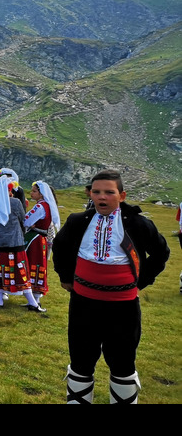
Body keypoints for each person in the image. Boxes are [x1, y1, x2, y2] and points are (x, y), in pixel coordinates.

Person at [53, 170, 170, 404]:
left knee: (123, 362)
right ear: (90, 194)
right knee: (81, 360)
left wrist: (141, 280)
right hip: (83, 304)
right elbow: (60, 247)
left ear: (122, 195)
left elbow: (160, 253)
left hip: (123, 306)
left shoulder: (138, 224)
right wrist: (66, 277)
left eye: (109, 192)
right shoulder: (78, 221)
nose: (102, 197)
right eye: (96, 192)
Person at [0, 171, 45, 312]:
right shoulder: (16, 203)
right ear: (10, 190)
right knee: (21, 272)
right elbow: (23, 219)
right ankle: (33, 303)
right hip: (14, 243)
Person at [23, 181, 60, 306]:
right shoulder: (47, 206)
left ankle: (34, 298)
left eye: (34, 191)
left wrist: (30, 223)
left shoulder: (40, 206)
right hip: (41, 238)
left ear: (41, 193)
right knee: (38, 264)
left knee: (34, 263)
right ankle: (35, 298)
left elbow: (26, 221)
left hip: (35, 238)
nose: (31, 193)